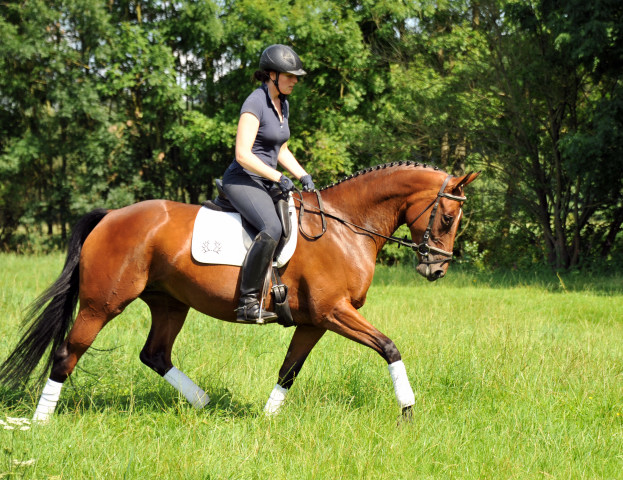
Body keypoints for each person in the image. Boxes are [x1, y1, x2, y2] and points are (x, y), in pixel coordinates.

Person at [221, 44, 315, 323]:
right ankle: (248, 302)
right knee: (272, 227)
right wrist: (278, 177)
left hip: (266, 181)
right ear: (272, 75)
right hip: (242, 179)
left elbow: (280, 149)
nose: (295, 80)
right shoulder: (255, 103)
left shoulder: (282, 103)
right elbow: (242, 154)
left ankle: (277, 288)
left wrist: (302, 174)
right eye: (290, 75)